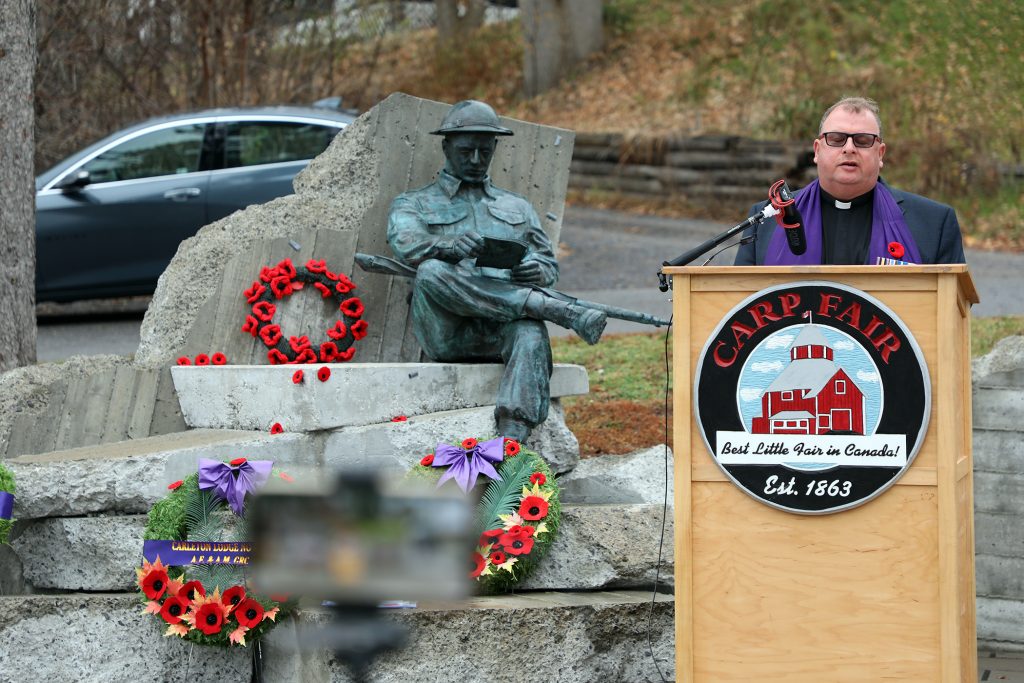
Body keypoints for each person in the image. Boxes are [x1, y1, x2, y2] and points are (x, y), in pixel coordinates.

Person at [387, 100, 606, 443]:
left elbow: (548, 264)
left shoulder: (516, 206)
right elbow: (407, 244)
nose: (475, 160)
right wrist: (449, 245)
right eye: (466, 151)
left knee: (530, 332)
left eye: (484, 152)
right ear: (446, 146)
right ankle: (552, 308)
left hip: (499, 329)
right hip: (447, 330)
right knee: (430, 270)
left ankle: (512, 442)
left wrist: (538, 270)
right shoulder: (413, 202)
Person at [735, 96, 966, 265]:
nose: (849, 149)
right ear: (817, 150)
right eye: (836, 139)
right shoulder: (767, 218)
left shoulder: (934, 223)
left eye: (863, 141)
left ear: (880, 153)